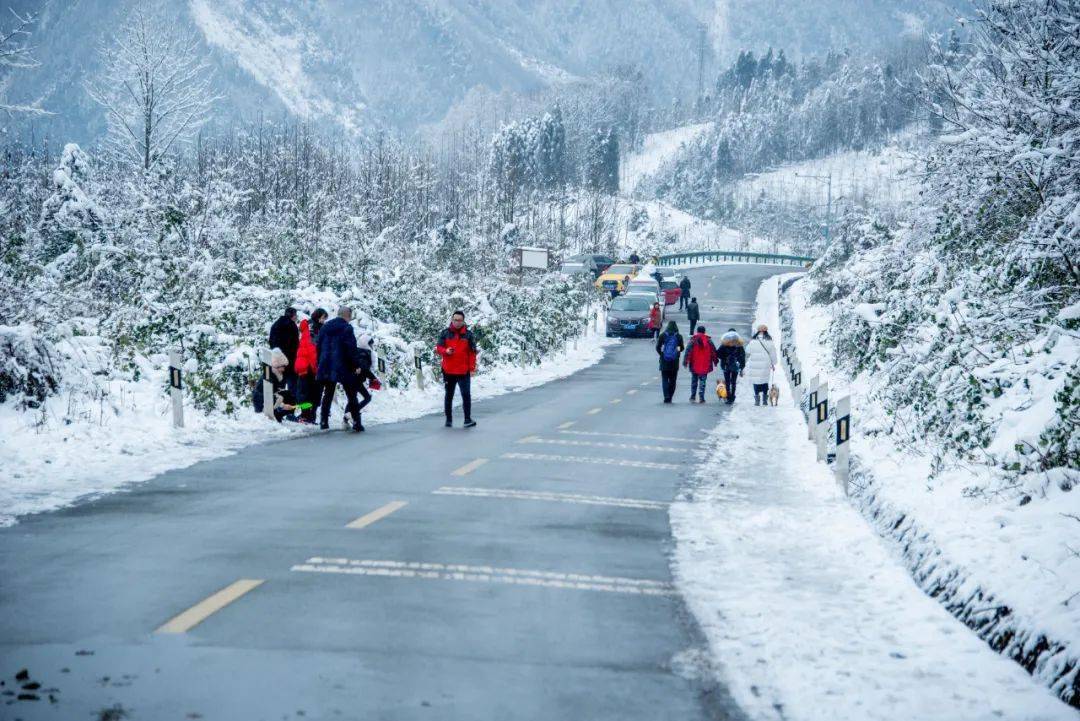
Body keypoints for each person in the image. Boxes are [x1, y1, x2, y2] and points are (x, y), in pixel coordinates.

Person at [316, 306, 370, 432]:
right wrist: (356, 365)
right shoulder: (347, 328)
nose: (350, 319)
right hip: (343, 366)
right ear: (347, 315)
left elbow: (318, 346)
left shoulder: (325, 327)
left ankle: (324, 422)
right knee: (351, 395)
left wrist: (320, 362)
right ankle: (356, 422)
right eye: (350, 316)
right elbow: (351, 348)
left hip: (327, 364)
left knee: (328, 394)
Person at [436, 310, 478, 428]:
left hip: (463, 371)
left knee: (466, 395)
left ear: (463, 321)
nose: (457, 322)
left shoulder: (468, 335)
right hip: (448, 371)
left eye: (459, 320)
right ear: (452, 320)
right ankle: (448, 420)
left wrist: (472, 368)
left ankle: (467, 419)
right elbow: (439, 348)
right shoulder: (445, 333)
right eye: (455, 320)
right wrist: (446, 351)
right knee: (449, 395)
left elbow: (472, 353)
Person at [268, 306, 300, 395]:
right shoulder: (292, 325)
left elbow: (271, 341)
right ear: (292, 315)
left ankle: (278, 404)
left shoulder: (275, 324)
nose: (296, 317)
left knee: (279, 383)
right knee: (293, 384)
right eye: (295, 315)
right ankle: (292, 403)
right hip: (290, 359)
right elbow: (295, 344)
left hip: (277, 359)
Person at [683, 324, 717, 405]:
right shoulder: (709, 341)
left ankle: (693, 396)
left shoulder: (693, 340)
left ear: (697, 331)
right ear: (704, 332)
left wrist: (685, 362)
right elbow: (713, 352)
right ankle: (701, 397)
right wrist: (715, 361)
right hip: (705, 364)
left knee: (694, 380)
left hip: (694, 364)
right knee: (703, 381)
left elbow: (688, 351)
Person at [748, 325, 778, 406]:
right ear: (766, 331)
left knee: (756, 381)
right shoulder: (769, 341)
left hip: (754, 364)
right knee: (764, 381)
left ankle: (757, 401)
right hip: (765, 364)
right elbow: (773, 353)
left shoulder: (753, 341)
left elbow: (748, 350)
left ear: (757, 332)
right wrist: (773, 363)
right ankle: (765, 400)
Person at [655, 321, 685, 404]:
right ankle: (670, 396)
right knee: (673, 380)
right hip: (674, 362)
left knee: (664, 379)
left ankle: (666, 396)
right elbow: (681, 348)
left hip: (664, 360)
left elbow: (658, 347)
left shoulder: (663, 335)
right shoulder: (679, 336)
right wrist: (676, 351)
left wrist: (662, 354)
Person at [716, 327, 746, 404]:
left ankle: (728, 396)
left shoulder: (724, 344)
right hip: (735, 366)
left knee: (727, 381)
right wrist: (741, 367)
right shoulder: (739, 345)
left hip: (726, 366)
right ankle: (733, 396)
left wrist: (724, 358)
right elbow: (742, 356)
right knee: (733, 381)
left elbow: (718, 354)